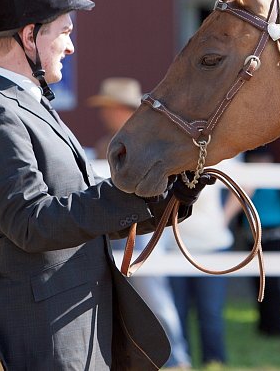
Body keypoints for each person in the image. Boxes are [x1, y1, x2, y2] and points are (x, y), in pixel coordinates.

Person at [0, 0, 212, 370]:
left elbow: (87, 212)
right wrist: (127, 192)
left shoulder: (27, 104)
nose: (71, 46)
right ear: (29, 34)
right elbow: (30, 222)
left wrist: (168, 195)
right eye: (64, 32)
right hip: (43, 329)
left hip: (79, 319)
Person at [88, 77, 191, 369]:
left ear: (123, 109)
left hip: (143, 227)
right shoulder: (104, 145)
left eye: (109, 108)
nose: (104, 114)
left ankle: (175, 357)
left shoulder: (142, 142)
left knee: (153, 292)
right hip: (120, 225)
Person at [167, 182, 234, 365]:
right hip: (173, 249)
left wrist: (224, 219)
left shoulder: (214, 157)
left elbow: (247, 183)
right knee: (177, 311)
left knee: (210, 311)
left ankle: (214, 361)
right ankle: (180, 361)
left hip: (211, 247)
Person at [225, 145, 280, 337]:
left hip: (275, 233)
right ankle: (263, 325)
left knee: (273, 282)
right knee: (257, 281)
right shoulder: (246, 179)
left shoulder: (277, 178)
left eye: (265, 158)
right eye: (257, 159)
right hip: (251, 232)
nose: (262, 162)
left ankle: (277, 326)